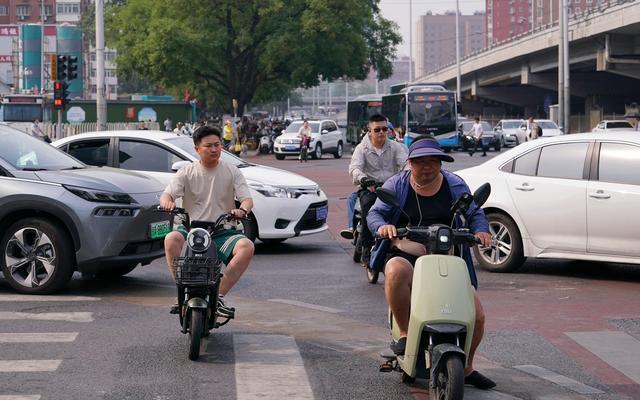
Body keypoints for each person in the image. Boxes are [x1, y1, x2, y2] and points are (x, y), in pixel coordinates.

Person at [368, 136, 496, 390]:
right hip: (407, 252)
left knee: (477, 315)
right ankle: (405, 333)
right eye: (420, 162)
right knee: (395, 270)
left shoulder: (455, 184)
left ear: (441, 163)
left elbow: (474, 212)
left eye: (433, 161)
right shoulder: (397, 185)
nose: (426, 167)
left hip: (445, 254)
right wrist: (384, 227)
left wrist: (481, 231)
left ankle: (467, 366)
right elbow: (375, 213)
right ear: (410, 164)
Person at [159, 125, 254, 316]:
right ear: (197, 149)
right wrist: (167, 203)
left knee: (247, 246)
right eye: (208, 146)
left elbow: (247, 199)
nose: (214, 149)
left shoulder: (231, 171)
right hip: (191, 230)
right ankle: (181, 292)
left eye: (217, 145)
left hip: (222, 231)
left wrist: (242, 210)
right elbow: (166, 195)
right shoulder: (186, 172)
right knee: (170, 239)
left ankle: (218, 296)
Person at [348, 114, 407, 267]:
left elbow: (405, 164)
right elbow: (354, 168)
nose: (381, 132)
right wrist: (363, 179)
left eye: (384, 129)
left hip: (392, 188)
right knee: (369, 210)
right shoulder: (361, 149)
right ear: (369, 131)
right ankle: (367, 250)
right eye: (377, 129)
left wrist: (407, 174)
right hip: (370, 189)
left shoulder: (395, 147)